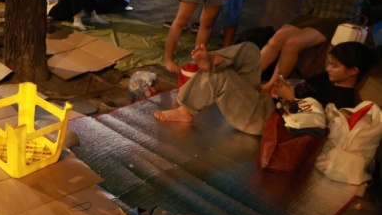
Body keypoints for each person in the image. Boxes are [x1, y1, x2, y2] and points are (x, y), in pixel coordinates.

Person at [154, 41, 377, 136]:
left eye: (335, 66)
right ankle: (214, 59)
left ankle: (186, 110)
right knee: (250, 50)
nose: (328, 69)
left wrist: (292, 99)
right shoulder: (326, 78)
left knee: (220, 76)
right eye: (329, 63)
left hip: (266, 121)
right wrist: (272, 87)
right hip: (264, 102)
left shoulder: (342, 102)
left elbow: (314, 130)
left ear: (353, 71)